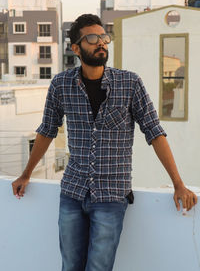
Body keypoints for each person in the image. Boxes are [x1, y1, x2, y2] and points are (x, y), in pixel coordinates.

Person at [12, 14, 197, 271]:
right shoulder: (61, 84)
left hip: (111, 196)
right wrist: (26, 174)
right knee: (70, 266)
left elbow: (154, 133)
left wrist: (179, 184)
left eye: (104, 37)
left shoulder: (129, 83)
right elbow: (46, 131)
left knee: (99, 268)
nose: (101, 43)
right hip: (73, 192)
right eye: (92, 38)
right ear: (76, 48)